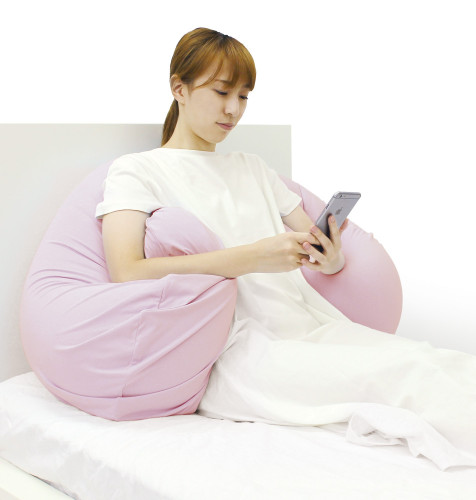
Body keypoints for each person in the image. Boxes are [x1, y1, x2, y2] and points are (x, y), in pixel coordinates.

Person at [95, 27, 476, 469]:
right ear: (179, 88)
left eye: (244, 96)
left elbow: (313, 242)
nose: (234, 110)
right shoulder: (136, 171)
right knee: (407, 377)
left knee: (436, 360)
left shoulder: (253, 168)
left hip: (309, 327)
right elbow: (125, 270)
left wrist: (330, 259)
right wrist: (251, 258)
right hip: (239, 352)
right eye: (222, 92)